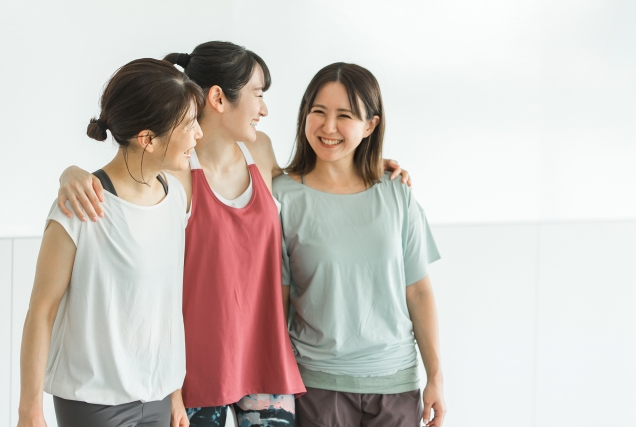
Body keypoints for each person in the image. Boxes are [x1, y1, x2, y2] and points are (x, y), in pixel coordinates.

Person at [56, 42, 411, 427]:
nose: (264, 109)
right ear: (218, 98)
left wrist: (367, 163)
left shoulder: (261, 151)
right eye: (258, 94)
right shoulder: (175, 170)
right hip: (195, 369)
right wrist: (71, 174)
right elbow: (125, 182)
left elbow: (311, 182)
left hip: (264, 358)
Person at [17, 58, 204, 427]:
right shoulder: (79, 206)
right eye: (189, 125)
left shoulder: (176, 197)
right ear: (148, 139)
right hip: (93, 403)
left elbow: (162, 308)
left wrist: (173, 392)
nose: (198, 134)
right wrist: (30, 411)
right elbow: (42, 310)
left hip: (157, 398)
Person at [274, 62, 447, 427]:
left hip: (396, 385)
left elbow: (418, 291)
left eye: (345, 115)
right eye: (318, 112)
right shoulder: (282, 197)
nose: (328, 127)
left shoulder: (397, 192)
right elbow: (278, 302)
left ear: (370, 125)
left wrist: (436, 376)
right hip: (317, 386)